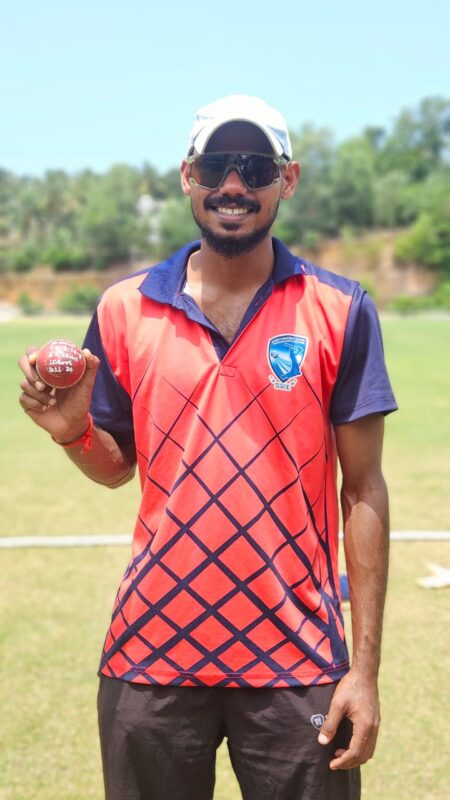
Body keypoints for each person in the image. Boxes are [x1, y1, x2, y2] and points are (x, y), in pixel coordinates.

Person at [19, 95, 397, 800]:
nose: (233, 185)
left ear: (287, 180)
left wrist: (365, 671)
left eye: (254, 167)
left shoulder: (341, 308)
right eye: (216, 165)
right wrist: (73, 431)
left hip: (299, 659)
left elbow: (364, 488)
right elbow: (116, 469)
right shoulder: (124, 307)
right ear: (187, 176)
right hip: (152, 651)